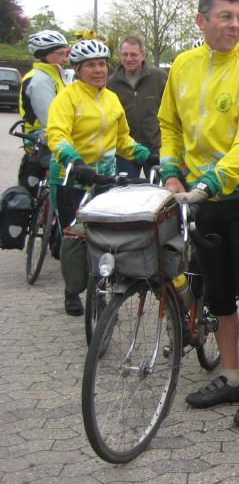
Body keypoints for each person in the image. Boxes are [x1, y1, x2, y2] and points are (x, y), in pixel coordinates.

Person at [158, 0, 239, 429]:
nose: (236, 25)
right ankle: (229, 376)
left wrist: (208, 182)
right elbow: (169, 124)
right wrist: (172, 172)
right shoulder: (184, 66)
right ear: (201, 20)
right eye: (226, 16)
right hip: (196, 196)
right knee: (219, 295)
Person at [46, 39, 151, 316]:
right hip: (72, 176)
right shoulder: (67, 98)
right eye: (90, 65)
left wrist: (146, 154)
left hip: (104, 176)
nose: (98, 70)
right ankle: (72, 290)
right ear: (78, 69)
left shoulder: (111, 98)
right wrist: (74, 160)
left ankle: (101, 287)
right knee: (75, 236)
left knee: (105, 235)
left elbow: (122, 139)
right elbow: (57, 134)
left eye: (102, 64)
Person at [18, 30, 70, 195]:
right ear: (45, 55)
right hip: (42, 142)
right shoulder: (39, 80)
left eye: (66, 52)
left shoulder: (55, 75)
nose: (65, 58)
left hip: (52, 139)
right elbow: (50, 118)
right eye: (60, 53)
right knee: (37, 196)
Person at [106, 34, 166, 177]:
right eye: (124, 54)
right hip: (127, 150)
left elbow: (171, 108)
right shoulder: (111, 83)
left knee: (158, 191)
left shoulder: (159, 77)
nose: (128, 59)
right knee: (126, 191)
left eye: (133, 54)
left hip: (155, 147)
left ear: (143, 55)